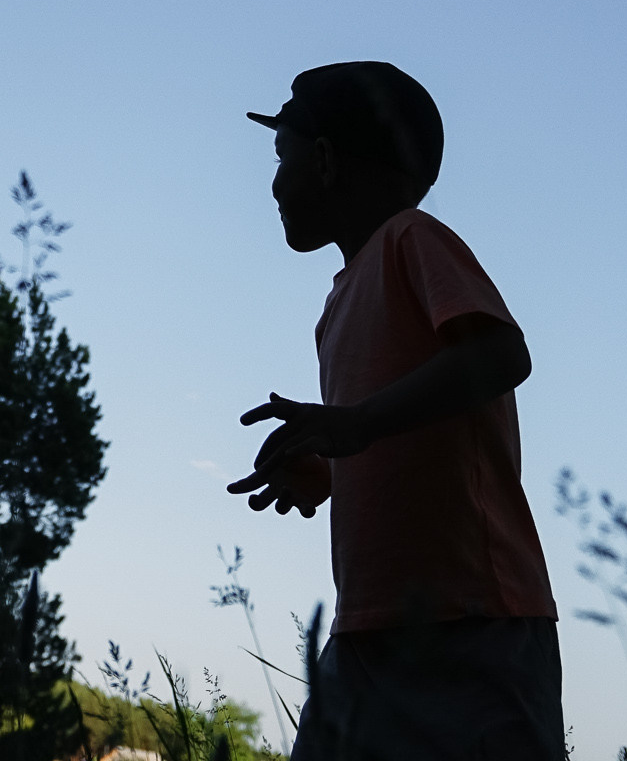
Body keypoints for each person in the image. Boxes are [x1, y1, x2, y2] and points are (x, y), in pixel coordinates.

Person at [226, 61, 562, 761]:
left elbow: (502, 357)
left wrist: (357, 422)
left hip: (471, 625)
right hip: (368, 629)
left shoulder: (415, 239)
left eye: (282, 157)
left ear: (323, 160)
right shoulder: (337, 305)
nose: (274, 182)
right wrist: (319, 467)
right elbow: (390, 434)